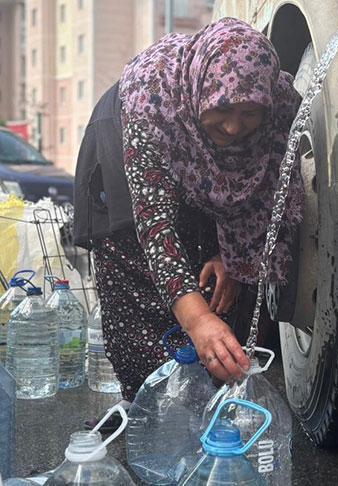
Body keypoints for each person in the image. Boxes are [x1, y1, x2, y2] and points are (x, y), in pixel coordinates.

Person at [73, 18, 304, 414]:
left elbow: (265, 195)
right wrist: (197, 321)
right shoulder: (151, 102)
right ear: (203, 93)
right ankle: (152, 407)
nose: (233, 127)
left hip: (192, 149)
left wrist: (231, 254)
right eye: (224, 108)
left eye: (250, 113)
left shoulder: (279, 105)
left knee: (215, 282)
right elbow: (155, 226)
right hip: (128, 140)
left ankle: (208, 402)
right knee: (137, 266)